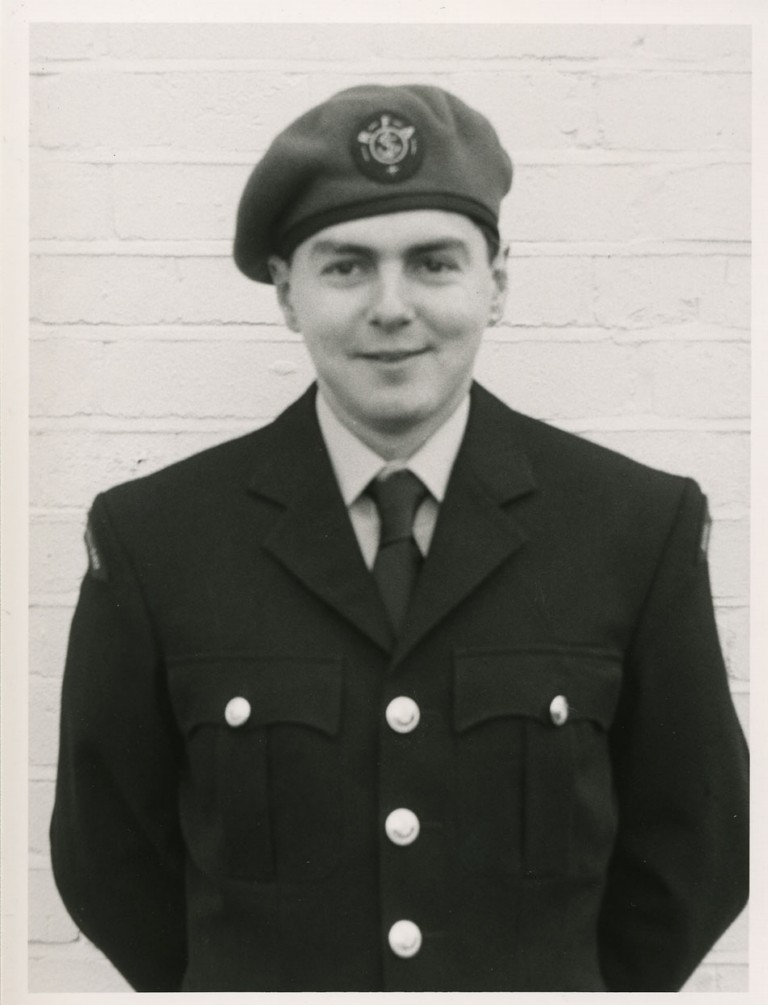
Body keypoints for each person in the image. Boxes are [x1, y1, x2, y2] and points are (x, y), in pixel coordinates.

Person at [50, 83, 749, 993]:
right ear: (287, 293)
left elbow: (698, 847)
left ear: (496, 284)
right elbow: (107, 859)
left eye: (433, 263)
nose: (391, 306)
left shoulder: (634, 528)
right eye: (346, 266)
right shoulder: (157, 541)